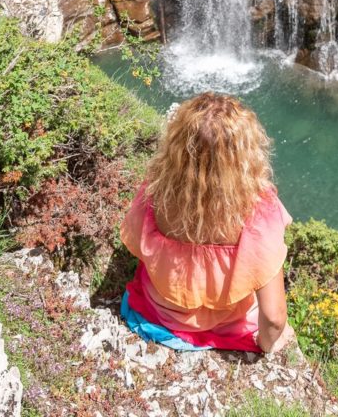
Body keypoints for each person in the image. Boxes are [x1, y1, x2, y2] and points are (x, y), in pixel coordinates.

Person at [120, 91, 297, 354]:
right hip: (227, 324)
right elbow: (273, 317)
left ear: (178, 144)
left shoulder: (157, 190)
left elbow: (135, 240)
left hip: (159, 313)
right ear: (244, 155)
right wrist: (265, 345)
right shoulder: (259, 210)